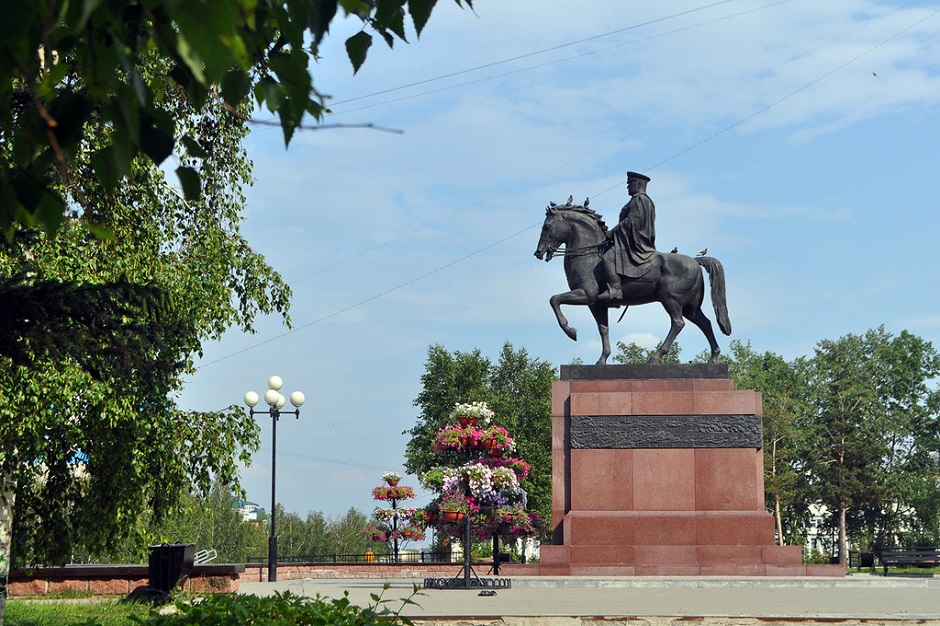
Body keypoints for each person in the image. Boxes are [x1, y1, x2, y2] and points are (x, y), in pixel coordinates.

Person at [600, 171, 657, 300]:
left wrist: (612, 233)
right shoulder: (638, 200)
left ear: (637, 184)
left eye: (629, 183)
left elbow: (632, 221)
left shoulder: (640, 199)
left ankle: (615, 289)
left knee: (608, 257)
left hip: (636, 242)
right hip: (629, 239)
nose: (627, 187)